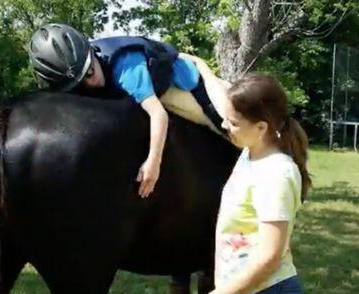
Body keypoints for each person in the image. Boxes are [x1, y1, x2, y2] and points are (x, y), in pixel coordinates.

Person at [169, 55, 310, 294]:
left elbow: (268, 258)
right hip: (239, 292)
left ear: (261, 127)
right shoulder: (252, 147)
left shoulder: (276, 174)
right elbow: (224, 103)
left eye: (232, 123)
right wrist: (201, 67)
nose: (223, 125)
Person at [28, 23, 222, 198]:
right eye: (79, 85)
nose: (91, 83)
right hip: (148, 88)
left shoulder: (126, 69)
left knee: (228, 122)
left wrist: (153, 163)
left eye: (89, 72)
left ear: (90, 52)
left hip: (180, 84)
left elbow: (158, 114)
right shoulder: (88, 72)